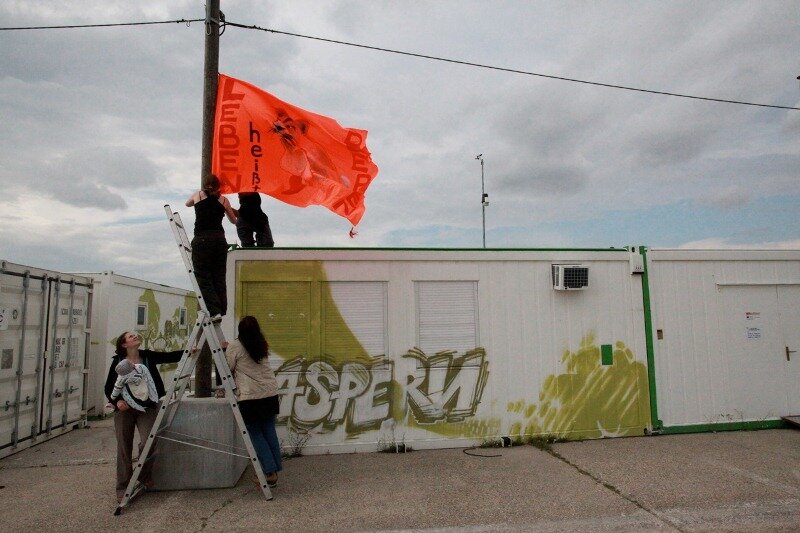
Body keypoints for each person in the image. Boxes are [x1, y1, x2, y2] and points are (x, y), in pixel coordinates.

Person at [104, 331, 184, 503]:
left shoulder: (147, 357)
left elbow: (169, 356)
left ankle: (142, 475)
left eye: (135, 335)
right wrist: (117, 402)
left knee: (150, 440)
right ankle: (123, 486)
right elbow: (109, 387)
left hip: (146, 408)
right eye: (130, 336)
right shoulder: (118, 362)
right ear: (124, 344)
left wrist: (190, 351)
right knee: (124, 447)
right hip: (124, 410)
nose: (135, 336)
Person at [225, 316, 282, 488]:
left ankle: (269, 472)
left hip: (251, 397)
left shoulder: (235, 346)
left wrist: (225, 349)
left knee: (255, 433)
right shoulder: (262, 343)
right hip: (270, 394)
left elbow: (228, 368)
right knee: (269, 430)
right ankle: (274, 469)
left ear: (240, 330)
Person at [185, 174, 238, 319]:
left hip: (202, 239)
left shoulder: (198, 195)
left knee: (203, 275)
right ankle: (221, 309)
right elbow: (234, 220)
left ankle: (214, 311)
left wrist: (199, 196)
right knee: (219, 276)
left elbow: (187, 204)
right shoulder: (224, 200)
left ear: (205, 184)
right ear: (218, 186)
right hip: (220, 241)